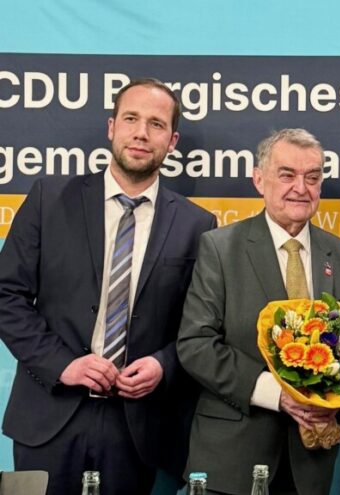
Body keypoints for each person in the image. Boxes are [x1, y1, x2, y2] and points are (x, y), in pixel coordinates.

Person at [0, 78, 217, 495]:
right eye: (131, 118)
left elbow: (199, 326)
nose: (140, 132)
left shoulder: (197, 224)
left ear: (172, 141)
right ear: (111, 127)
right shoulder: (49, 198)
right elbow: (6, 296)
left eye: (156, 124)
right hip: (49, 416)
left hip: (135, 429)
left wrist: (163, 366)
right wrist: (62, 364)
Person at [177, 128, 340, 495]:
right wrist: (276, 393)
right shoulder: (220, 248)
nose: (301, 187)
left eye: (312, 177)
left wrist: (334, 399)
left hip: (310, 465)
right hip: (229, 460)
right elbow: (195, 344)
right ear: (259, 179)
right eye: (287, 175)